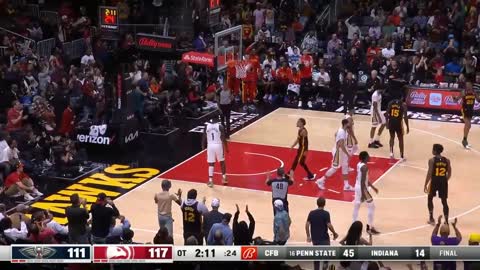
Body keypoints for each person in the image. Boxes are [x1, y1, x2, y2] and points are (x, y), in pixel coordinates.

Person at [316, 119, 354, 191]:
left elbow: (335, 134)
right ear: (346, 124)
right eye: (350, 123)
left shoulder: (342, 129)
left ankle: (346, 186)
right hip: (339, 152)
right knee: (335, 168)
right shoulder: (342, 132)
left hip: (341, 151)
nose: (352, 123)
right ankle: (321, 180)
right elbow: (341, 145)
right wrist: (347, 154)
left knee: (345, 166)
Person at [306, 197, 339, 270]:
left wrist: (308, 236)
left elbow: (307, 224)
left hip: (315, 239)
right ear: (324, 204)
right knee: (326, 257)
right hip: (324, 239)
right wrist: (334, 233)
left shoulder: (311, 213)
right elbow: (329, 225)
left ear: (317, 204)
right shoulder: (326, 213)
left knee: (316, 258)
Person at [353, 151, 380, 234]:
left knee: (357, 206)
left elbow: (364, 179)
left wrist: (373, 187)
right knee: (372, 206)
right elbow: (362, 181)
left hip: (357, 186)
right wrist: (363, 194)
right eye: (368, 155)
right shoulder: (365, 168)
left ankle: (354, 225)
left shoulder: (359, 164)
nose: (369, 156)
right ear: (365, 157)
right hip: (362, 188)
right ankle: (369, 227)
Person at [424, 144, 452, 225]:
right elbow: (449, 173)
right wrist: (445, 180)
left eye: (433, 149)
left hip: (434, 181)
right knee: (444, 201)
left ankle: (431, 218)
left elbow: (429, 173)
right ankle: (446, 221)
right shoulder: (447, 160)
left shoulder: (431, 160)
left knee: (430, 198)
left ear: (435, 151)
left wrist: (425, 184)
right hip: (443, 181)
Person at [453, 81, 480, 148]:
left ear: (471, 85)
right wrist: (454, 98)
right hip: (464, 110)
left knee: (468, 126)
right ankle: (464, 141)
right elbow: (456, 100)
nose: (468, 86)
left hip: (471, 110)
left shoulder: (474, 92)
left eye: (469, 84)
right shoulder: (463, 92)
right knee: (468, 124)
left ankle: (465, 139)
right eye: (467, 85)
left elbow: (478, 100)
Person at [203, 118, 228, 187]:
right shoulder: (220, 126)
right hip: (218, 145)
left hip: (210, 146)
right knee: (222, 162)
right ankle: (224, 178)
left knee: (211, 164)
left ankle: (210, 181)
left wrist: (203, 147)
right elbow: (223, 138)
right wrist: (226, 147)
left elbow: (204, 137)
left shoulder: (206, 126)